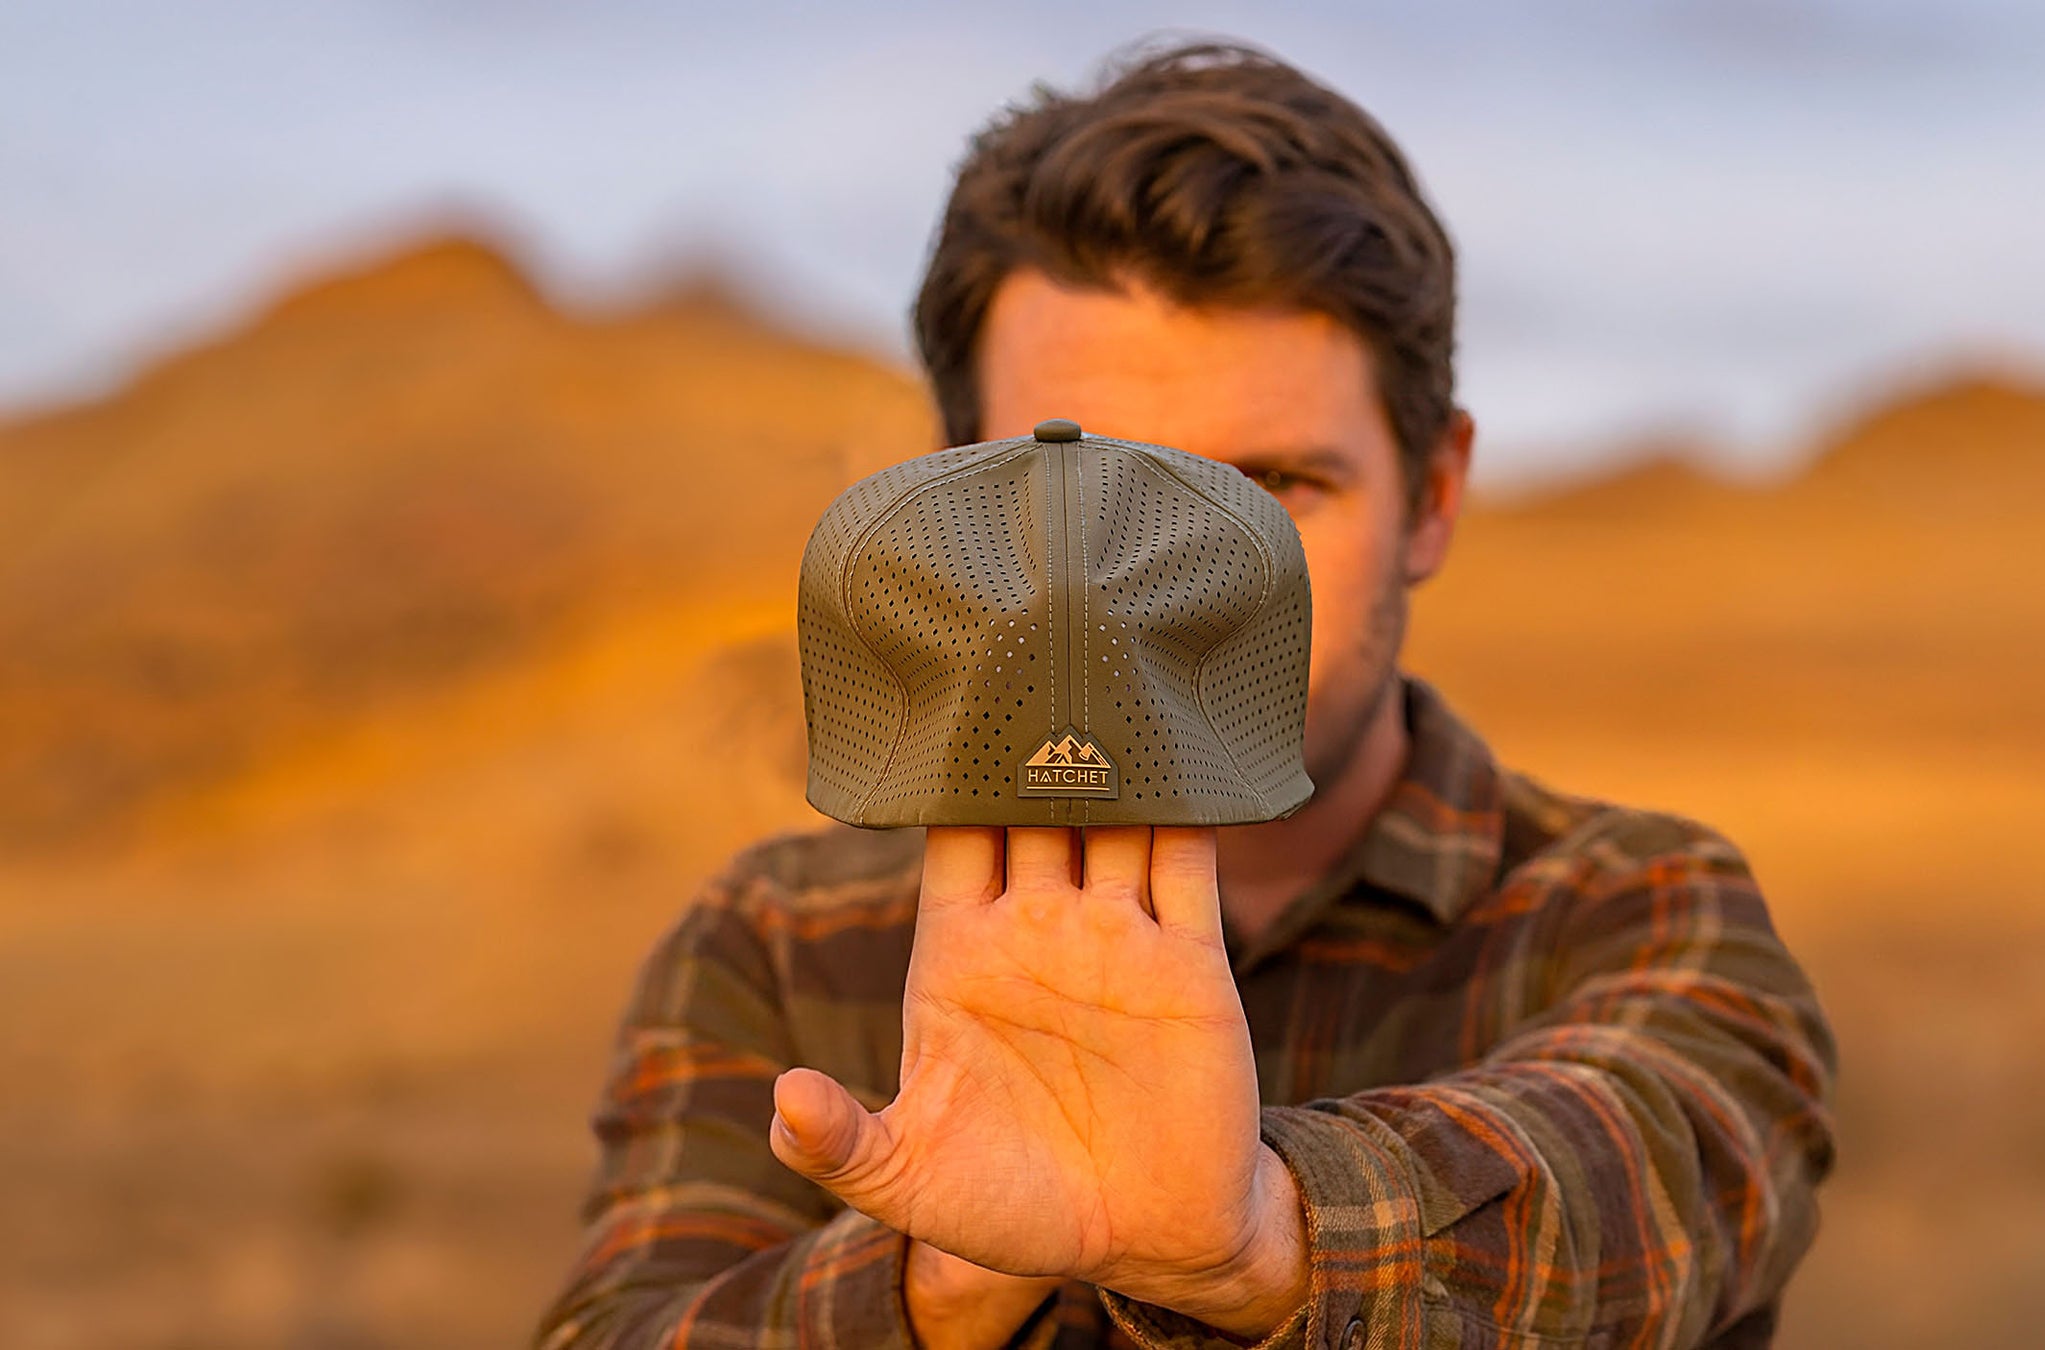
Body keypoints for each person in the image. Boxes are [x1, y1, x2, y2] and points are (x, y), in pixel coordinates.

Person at [534, 40, 1836, 1350]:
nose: (1163, 594)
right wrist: (943, 1281)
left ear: (1434, 495)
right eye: (1086, 492)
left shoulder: (1635, 912)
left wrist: (1265, 1236)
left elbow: (1659, 1190)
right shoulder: (781, 943)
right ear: (958, 501)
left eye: (1273, 488)